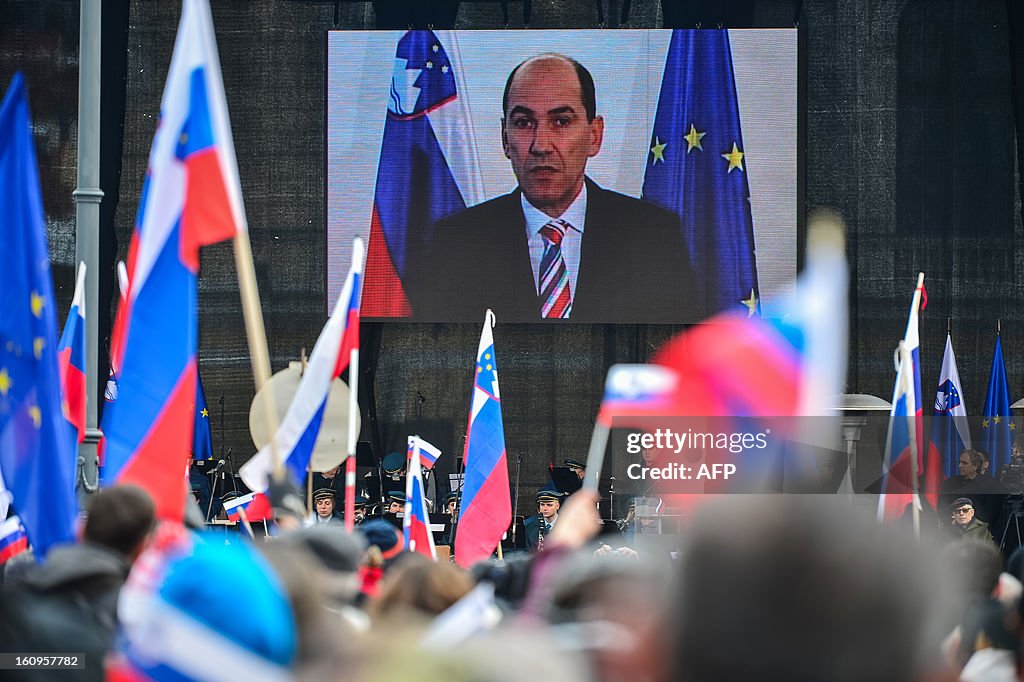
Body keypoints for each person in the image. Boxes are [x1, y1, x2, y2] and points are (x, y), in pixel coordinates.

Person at [413, 53, 700, 324]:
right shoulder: (455, 242)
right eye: (524, 123)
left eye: (561, 122)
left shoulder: (652, 235)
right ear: (505, 139)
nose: (540, 145)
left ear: (594, 135)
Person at [940, 450, 999, 524]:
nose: (960, 466)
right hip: (951, 528)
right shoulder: (949, 483)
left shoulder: (989, 486)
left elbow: (991, 513)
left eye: (964, 463)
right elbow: (942, 507)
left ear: (975, 466)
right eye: (959, 462)